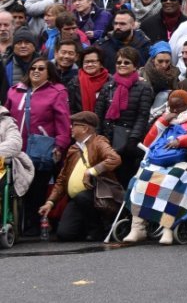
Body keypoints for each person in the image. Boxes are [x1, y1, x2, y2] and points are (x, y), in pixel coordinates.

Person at [125, 89, 187, 245]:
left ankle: (167, 227)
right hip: (159, 159)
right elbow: (148, 143)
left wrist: (183, 140)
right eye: (172, 107)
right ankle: (138, 227)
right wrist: (163, 121)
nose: (175, 111)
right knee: (142, 178)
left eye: (179, 107)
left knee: (172, 180)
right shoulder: (166, 115)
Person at [6, 56, 71, 235]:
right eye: (33, 68)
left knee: (36, 189)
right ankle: (16, 224)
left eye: (41, 68)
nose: (36, 71)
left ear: (49, 73)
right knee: (14, 188)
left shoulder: (57, 91)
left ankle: (34, 225)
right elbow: (5, 118)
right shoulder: (15, 91)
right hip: (16, 149)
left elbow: (63, 122)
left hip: (41, 149)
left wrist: (60, 145)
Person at [37, 110, 121, 241]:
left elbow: (114, 159)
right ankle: (87, 227)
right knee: (64, 234)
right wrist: (50, 202)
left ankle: (97, 229)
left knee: (83, 197)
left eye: (74, 125)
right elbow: (62, 178)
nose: (71, 128)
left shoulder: (99, 142)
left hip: (97, 197)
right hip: (77, 200)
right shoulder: (73, 149)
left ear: (85, 128)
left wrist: (91, 171)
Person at [94, 46, 152, 183]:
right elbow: (98, 113)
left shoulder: (143, 88)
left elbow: (142, 116)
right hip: (108, 139)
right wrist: (98, 137)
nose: (122, 65)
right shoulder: (108, 86)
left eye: (126, 62)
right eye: (119, 62)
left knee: (123, 178)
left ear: (135, 66)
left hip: (128, 142)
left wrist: (133, 139)